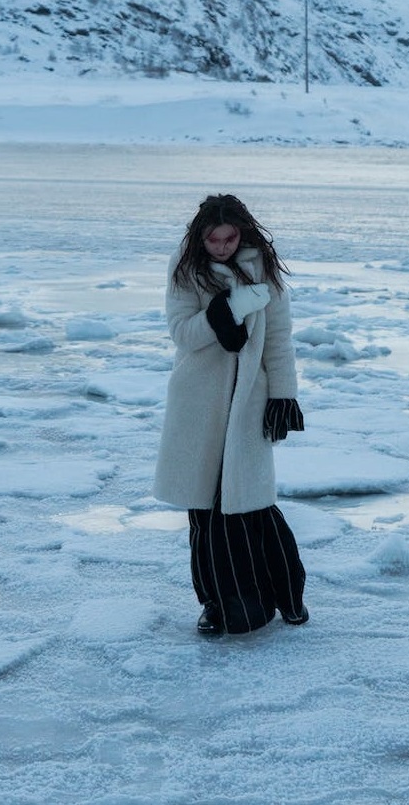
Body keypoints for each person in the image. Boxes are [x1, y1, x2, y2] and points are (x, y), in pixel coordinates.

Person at [154, 194, 308, 635]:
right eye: (213, 239)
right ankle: (214, 604)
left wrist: (284, 396)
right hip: (197, 405)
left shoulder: (263, 270)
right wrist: (229, 309)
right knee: (205, 510)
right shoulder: (185, 267)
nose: (221, 247)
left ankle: (287, 595)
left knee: (251, 504)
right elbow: (182, 333)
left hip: (247, 403)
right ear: (200, 237)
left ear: (242, 233)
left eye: (229, 238)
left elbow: (278, 339)